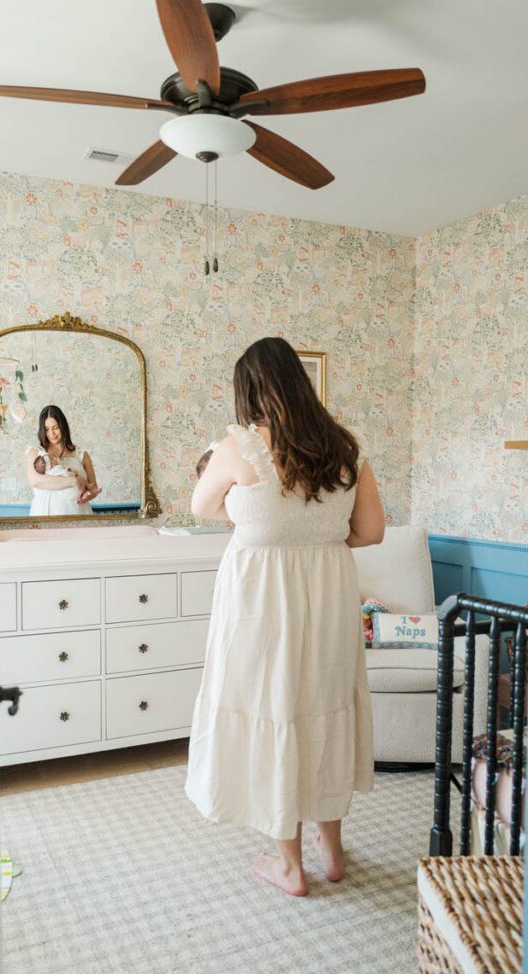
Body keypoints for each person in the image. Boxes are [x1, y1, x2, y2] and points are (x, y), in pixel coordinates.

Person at [185, 337, 385, 897]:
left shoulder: (239, 445)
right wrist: (316, 534)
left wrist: (260, 520)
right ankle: (333, 852)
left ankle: (290, 865)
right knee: (322, 706)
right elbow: (370, 531)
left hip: (261, 600)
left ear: (249, 389)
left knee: (276, 709)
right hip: (327, 592)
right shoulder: (345, 446)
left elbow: (201, 506)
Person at [25, 405, 102, 516]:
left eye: (55, 427)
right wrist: (73, 481)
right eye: (47, 429)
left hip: (78, 513)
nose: (52, 433)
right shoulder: (36, 452)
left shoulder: (81, 455)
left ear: (63, 426)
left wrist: (91, 493)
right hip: (46, 513)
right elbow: (35, 480)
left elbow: (93, 487)